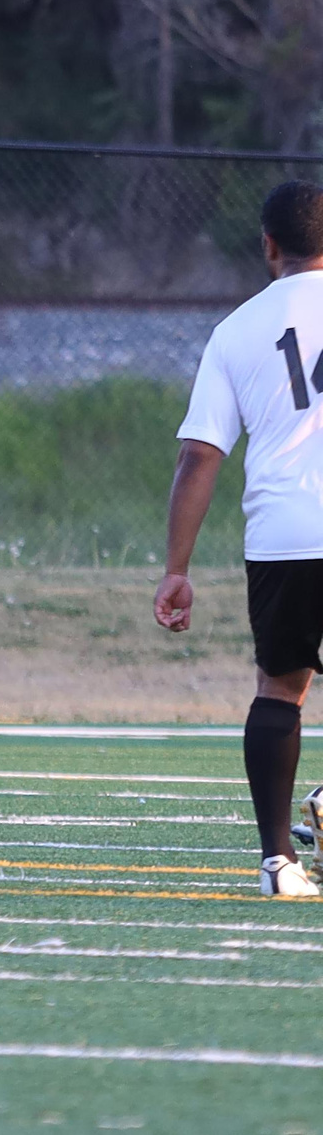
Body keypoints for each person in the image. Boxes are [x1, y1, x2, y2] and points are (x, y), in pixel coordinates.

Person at [156, 180, 323, 897]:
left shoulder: (236, 329)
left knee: (279, 691)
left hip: (284, 534)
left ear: (268, 246)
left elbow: (199, 457)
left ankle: (279, 862)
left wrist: (177, 568)